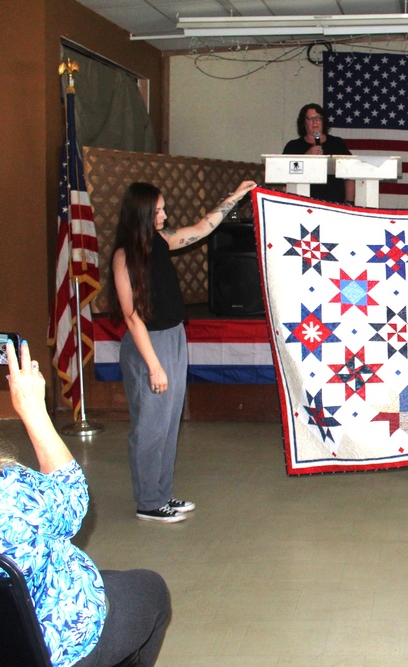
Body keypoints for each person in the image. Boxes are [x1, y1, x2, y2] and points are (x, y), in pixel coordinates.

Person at [0, 339, 171, 666]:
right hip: (55, 645)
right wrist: (34, 412)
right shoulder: (8, 491)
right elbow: (72, 501)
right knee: (153, 590)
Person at [107, 179, 257, 523]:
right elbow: (131, 317)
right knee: (150, 424)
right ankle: (147, 502)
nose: (164, 215)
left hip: (173, 336)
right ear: (141, 213)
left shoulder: (160, 240)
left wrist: (234, 196)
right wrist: (154, 366)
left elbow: (202, 227)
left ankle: (162, 494)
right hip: (149, 345)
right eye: (157, 210)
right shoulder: (123, 257)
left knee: (168, 421)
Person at [282, 103, 356, 205]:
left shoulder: (337, 143)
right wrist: (305, 157)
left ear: (323, 121)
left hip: (334, 202)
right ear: (304, 123)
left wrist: (349, 202)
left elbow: (350, 173)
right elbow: (283, 173)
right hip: (302, 202)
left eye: (318, 118)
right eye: (309, 119)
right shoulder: (293, 146)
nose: (314, 122)